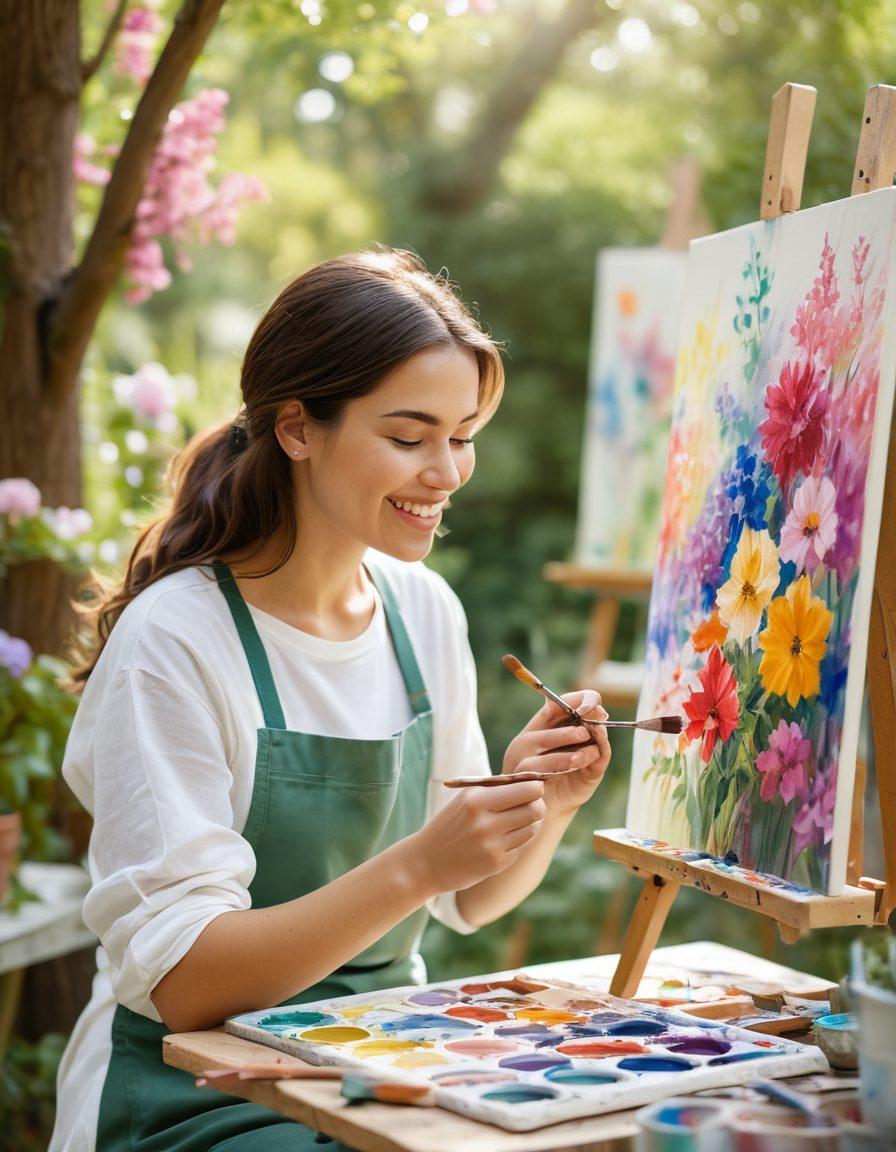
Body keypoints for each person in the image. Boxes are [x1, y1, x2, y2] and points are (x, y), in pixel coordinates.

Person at [49, 249, 610, 1151]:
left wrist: (543, 805)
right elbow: (186, 982)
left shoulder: (421, 609)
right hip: (198, 1089)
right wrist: (418, 865)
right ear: (299, 429)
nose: (448, 471)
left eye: (462, 434)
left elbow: (471, 901)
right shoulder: (176, 642)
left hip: (385, 1063)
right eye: (409, 435)